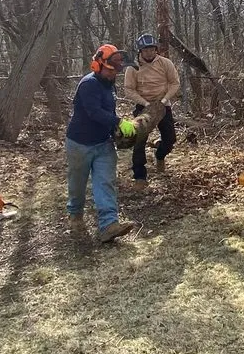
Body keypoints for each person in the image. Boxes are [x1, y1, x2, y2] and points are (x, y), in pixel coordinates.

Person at [66, 44, 136, 242]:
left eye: (116, 71)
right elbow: (94, 112)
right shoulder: (88, 84)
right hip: (79, 143)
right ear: (98, 65)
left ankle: (109, 224)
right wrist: (119, 122)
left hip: (103, 143)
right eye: (110, 70)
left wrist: (116, 130)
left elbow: (108, 112)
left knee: (105, 182)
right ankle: (75, 215)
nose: (113, 74)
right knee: (77, 183)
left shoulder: (108, 84)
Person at [124, 33, 180, 189]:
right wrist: (145, 103)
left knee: (170, 139)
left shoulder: (165, 63)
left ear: (156, 50)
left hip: (162, 104)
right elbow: (129, 89)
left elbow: (175, 83)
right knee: (139, 140)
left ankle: (160, 155)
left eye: (151, 49)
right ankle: (140, 176)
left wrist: (163, 101)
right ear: (140, 51)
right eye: (145, 50)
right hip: (144, 105)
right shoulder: (133, 67)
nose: (149, 52)